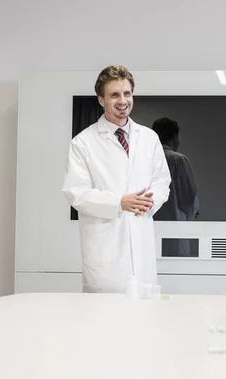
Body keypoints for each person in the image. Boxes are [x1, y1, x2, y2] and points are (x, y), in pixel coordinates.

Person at [62, 66, 171, 293]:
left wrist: (149, 202)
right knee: (103, 323)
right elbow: (76, 192)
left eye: (127, 93)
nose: (123, 101)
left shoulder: (149, 138)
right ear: (101, 100)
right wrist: (119, 202)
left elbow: (162, 181)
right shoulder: (83, 143)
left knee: (144, 321)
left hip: (141, 252)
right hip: (105, 257)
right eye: (114, 95)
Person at [152, 117, 199, 222]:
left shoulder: (144, 160)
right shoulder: (178, 160)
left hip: (149, 226)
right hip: (175, 226)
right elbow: (188, 197)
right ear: (174, 138)